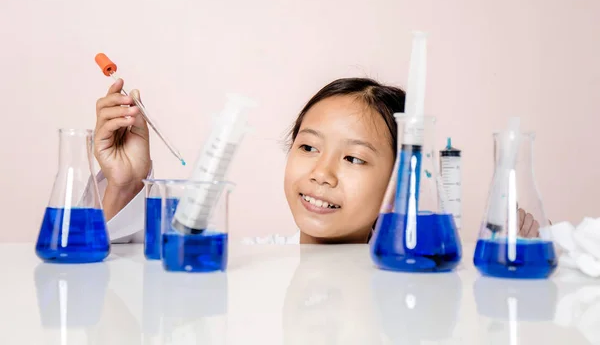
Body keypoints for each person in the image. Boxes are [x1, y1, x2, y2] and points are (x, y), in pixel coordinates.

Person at [95, 77, 540, 244]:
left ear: (400, 180)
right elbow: (119, 289)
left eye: (353, 158)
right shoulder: (254, 264)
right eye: (308, 147)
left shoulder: (422, 277)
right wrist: (124, 184)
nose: (320, 174)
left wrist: (519, 255)